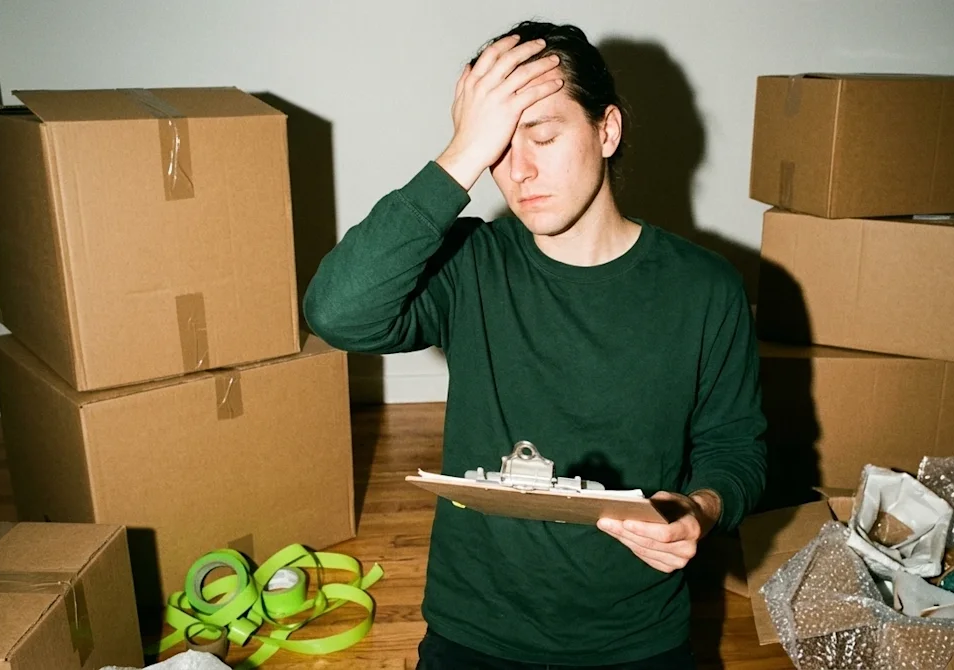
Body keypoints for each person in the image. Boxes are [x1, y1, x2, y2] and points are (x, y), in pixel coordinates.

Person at [303, 20, 767, 669]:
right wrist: (461, 155)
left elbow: (736, 448)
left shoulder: (705, 288)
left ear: (607, 130)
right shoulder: (469, 264)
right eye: (498, 148)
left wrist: (700, 508)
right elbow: (337, 314)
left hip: (633, 634)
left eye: (543, 136)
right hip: (476, 629)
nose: (518, 171)